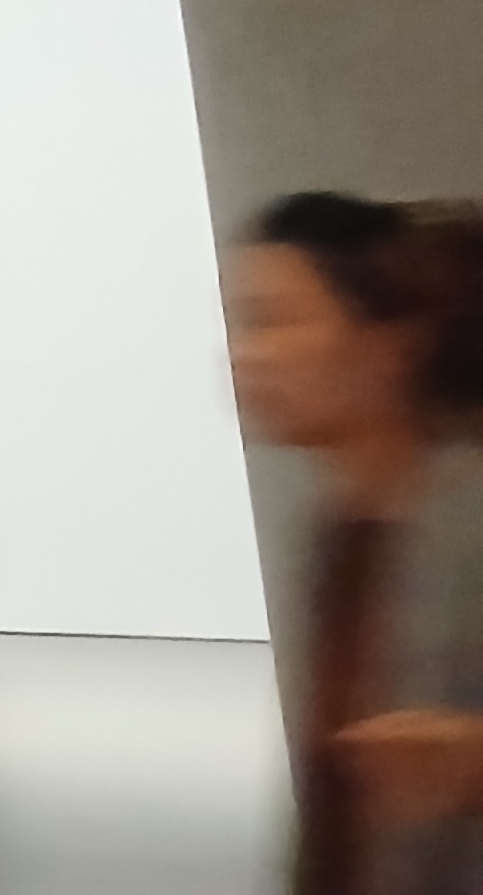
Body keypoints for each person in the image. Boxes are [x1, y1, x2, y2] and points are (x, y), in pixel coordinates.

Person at [230, 192, 483, 894]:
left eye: (272, 321)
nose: (244, 355)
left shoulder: (465, 526)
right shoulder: (331, 530)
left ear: (387, 343)